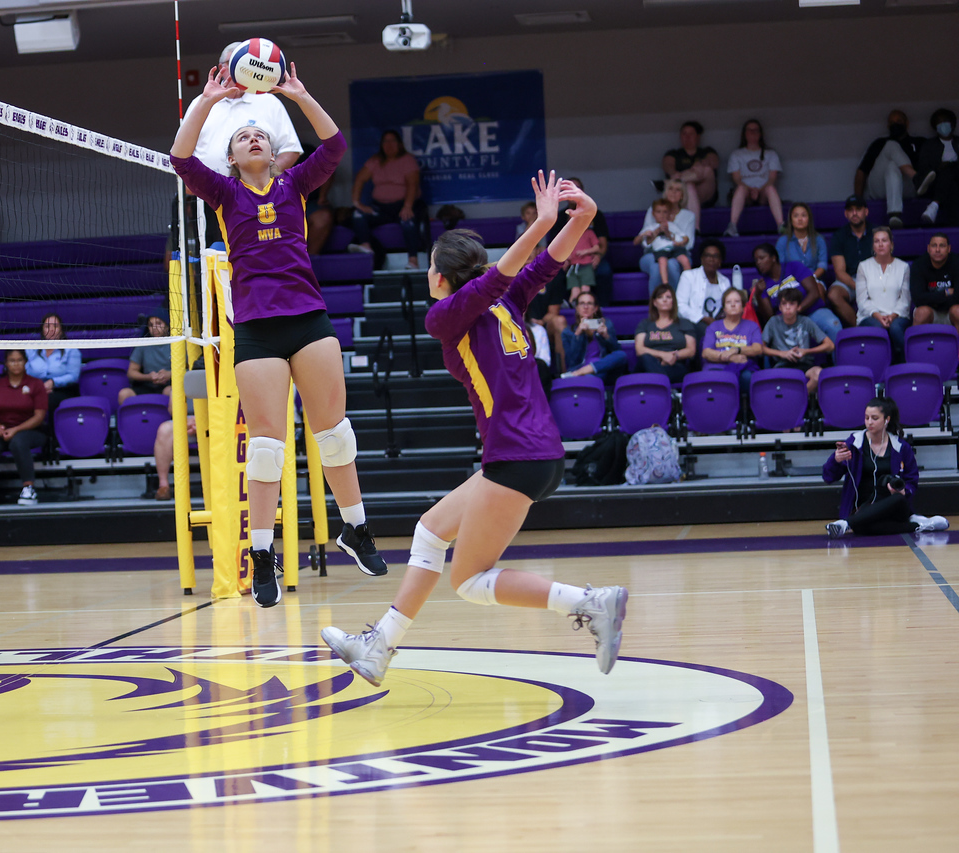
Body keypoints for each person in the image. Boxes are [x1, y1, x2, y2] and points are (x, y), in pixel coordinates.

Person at [320, 173, 629, 687]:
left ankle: (590, 603)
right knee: (430, 530)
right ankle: (379, 647)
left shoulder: (445, 318)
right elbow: (545, 263)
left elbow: (518, 268)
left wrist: (553, 220)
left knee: (467, 581)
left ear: (440, 277)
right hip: (532, 453)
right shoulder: (506, 300)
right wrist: (584, 218)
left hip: (516, 456)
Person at [172, 62, 387, 606]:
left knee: (334, 434)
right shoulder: (222, 193)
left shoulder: (294, 184)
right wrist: (207, 101)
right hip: (257, 332)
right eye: (243, 136)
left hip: (308, 320)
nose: (251, 137)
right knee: (267, 447)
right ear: (232, 156)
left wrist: (300, 94)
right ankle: (262, 554)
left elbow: (334, 147)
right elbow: (179, 157)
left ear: (272, 153)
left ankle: (355, 529)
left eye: (260, 135)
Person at [182, 41, 303, 248]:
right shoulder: (201, 103)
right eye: (243, 63)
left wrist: (267, 178)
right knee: (208, 259)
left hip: (255, 199)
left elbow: (291, 148)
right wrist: (190, 186)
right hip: (207, 198)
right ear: (223, 68)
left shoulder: (268, 101)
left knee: (254, 252)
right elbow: (182, 153)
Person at [823, 397, 948, 538]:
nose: (869, 422)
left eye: (875, 418)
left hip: (893, 505)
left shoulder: (900, 447)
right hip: (862, 508)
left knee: (898, 500)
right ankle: (919, 525)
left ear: (886, 420)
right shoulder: (854, 443)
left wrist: (904, 492)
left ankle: (845, 524)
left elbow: (912, 479)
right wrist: (836, 460)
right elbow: (828, 477)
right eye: (866, 418)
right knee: (863, 528)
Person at [0, 350, 46, 509]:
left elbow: (39, 416)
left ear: (25, 362)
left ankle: (29, 488)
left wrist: (16, 429)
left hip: (31, 431)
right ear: (6, 363)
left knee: (18, 441)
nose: (16, 363)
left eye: (19, 360)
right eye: (12, 360)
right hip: (2, 430)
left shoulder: (36, 384)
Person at [349, 129, 428, 269]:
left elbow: (413, 184)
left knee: (408, 222)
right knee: (357, 214)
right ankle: (366, 246)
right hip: (381, 208)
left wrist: (408, 206)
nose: (389, 144)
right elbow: (360, 179)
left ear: (399, 144)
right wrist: (357, 202)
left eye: (392, 141)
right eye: (385, 141)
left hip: (403, 206)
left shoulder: (407, 160)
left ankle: (413, 261)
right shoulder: (375, 161)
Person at [750, 243, 842, 344]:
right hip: (787, 322)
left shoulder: (794, 267)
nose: (758, 262)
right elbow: (770, 317)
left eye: (762, 258)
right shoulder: (762, 284)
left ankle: (839, 360)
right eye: (756, 260)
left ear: (773, 258)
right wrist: (758, 295)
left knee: (833, 325)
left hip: (812, 311)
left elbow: (814, 293)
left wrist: (797, 309)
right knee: (768, 339)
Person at [855, 110, 924, 229]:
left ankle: (895, 215)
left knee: (893, 166)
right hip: (881, 189)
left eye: (899, 121)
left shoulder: (918, 142)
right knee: (891, 146)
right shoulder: (880, 143)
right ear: (888, 126)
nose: (895, 124)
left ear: (906, 123)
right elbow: (862, 171)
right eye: (892, 122)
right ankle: (916, 178)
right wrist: (857, 201)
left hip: (908, 189)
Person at [548, 177, 612, 305]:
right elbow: (553, 245)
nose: (572, 193)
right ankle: (564, 305)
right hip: (567, 259)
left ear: (582, 192)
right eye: (568, 189)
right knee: (555, 275)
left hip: (590, 257)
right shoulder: (558, 217)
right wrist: (562, 260)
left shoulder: (595, 214)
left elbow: (602, 243)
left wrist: (598, 256)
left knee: (605, 272)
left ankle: (603, 308)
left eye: (576, 189)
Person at [853, 226, 911, 361]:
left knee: (896, 329)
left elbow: (905, 300)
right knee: (877, 328)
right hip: (870, 315)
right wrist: (878, 315)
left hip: (898, 315)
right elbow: (862, 300)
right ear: (872, 245)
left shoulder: (903, 267)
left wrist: (892, 316)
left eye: (884, 240)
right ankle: (880, 369)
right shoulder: (863, 266)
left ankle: (906, 365)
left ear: (891, 244)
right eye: (876, 241)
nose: (880, 244)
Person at [761, 287, 834, 394]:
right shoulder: (773, 322)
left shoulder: (806, 321)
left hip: (805, 364)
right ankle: (796, 401)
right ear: (780, 307)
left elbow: (830, 345)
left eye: (791, 304)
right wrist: (782, 353)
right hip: (782, 365)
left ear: (798, 306)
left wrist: (806, 351)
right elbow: (759, 347)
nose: (787, 307)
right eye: (784, 304)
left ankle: (797, 399)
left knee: (819, 375)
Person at [725, 119, 784, 237]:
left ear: (760, 134)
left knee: (771, 188)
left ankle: (781, 226)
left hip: (763, 192)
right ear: (744, 134)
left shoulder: (770, 154)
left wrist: (759, 189)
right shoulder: (737, 154)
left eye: (756, 130)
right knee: (741, 188)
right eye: (749, 130)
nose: (752, 133)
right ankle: (732, 226)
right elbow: (736, 179)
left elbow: (772, 178)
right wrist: (751, 189)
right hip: (746, 192)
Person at [661, 120, 719, 232]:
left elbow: (713, 163)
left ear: (698, 136)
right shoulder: (674, 154)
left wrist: (696, 167)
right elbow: (667, 165)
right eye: (684, 134)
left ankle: (677, 180)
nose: (687, 137)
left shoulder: (707, 151)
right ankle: (695, 228)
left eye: (691, 134)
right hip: (682, 194)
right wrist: (685, 173)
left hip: (705, 192)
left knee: (706, 170)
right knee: (689, 186)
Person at [633, 285, 698, 383]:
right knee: (646, 358)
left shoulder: (684, 323)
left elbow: (691, 350)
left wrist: (674, 356)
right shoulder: (645, 324)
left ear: (673, 301)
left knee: (668, 372)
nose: (664, 300)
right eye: (660, 297)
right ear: (655, 302)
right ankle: (667, 390)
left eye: (668, 297)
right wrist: (663, 355)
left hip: (674, 365)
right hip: (649, 363)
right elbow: (639, 349)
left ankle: (662, 387)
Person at [701, 288, 763, 389]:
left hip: (743, 368)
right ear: (724, 308)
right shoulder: (713, 326)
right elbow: (706, 352)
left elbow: (758, 349)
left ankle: (746, 405)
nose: (733, 305)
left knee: (748, 378)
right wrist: (730, 358)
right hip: (716, 368)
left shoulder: (752, 326)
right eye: (729, 302)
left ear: (743, 306)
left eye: (737, 301)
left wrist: (736, 350)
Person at [557, 291, 626, 382]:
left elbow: (616, 352)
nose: (585, 307)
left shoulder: (607, 325)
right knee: (590, 379)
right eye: (582, 304)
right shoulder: (568, 332)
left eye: (589, 303)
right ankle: (582, 372)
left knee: (622, 354)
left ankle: (581, 372)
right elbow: (572, 361)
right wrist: (578, 334)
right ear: (577, 308)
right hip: (580, 367)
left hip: (602, 368)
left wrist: (606, 336)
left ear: (595, 308)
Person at [25, 312, 81, 423]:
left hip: (63, 391)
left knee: (48, 400)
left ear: (61, 329)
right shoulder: (32, 350)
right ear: (42, 330)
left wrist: (53, 382)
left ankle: (52, 437)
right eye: (47, 326)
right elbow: (25, 372)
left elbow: (73, 376)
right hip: (36, 389)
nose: (51, 329)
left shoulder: (71, 350)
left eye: (55, 326)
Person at [828, 196, 874, 328]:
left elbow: (884, 263)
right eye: (851, 210)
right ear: (846, 214)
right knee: (834, 294)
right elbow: (840, 272)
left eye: (858, 209)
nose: (854, 213)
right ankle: (860, 328)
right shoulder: (839, 236)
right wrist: (859, 287)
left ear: (866, 211)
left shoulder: (877, 233)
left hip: (874, 278)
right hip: (850, 281)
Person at [677, 239, 731, 341]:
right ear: (701, 259)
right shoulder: (689, 276)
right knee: (708, 333)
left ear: (720, 261)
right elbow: (680, 306)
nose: (711, 259)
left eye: (715, 256)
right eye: (707, 255)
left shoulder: (725, 281)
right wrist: (703, 318)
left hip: (719, 324)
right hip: (693, 324)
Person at [914, 108, 958, 227]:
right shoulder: (929, 145)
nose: (943, 124)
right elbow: (924, 167)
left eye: (946, 121)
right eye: (939, 122)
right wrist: (940, 167)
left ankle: (934, 205)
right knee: (951, 182)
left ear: (953, 124)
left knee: (951, 169)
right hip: (937, 183)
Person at [634, 198, 687, 293]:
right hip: (657, 252)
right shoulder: (650, 227)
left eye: (665, 212)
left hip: (672, 250)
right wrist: (656, 231)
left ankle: (688, 282)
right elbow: (637, 242)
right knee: (660, 263)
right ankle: (665, 286)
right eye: (658, 212)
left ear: (670, 214)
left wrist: (667, 232)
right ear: (653, 213)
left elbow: (682, 238)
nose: (662, 215)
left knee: (680, 261)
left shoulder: (672, 226)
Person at [118, 314, 172, 407]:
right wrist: (149, 377)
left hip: (170, 384)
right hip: (147, 385)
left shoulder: (178, 343)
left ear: (168, 325)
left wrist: (170, 374)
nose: (154, 328)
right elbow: (131, 372)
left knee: (171, 392)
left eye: (159, 323)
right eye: (151, 325)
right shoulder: (144, 344)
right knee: (124, 394)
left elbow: (189, 369)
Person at [642, 178, 697, 262]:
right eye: (670, 189)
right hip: (653, 251)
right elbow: (644, 240)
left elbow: (689, 244)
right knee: (656, 265)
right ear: (666, 192)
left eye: (678, 190)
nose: (673, 192)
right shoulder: (653, 210)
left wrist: (672, 245)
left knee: (672, 264)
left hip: (679, 252)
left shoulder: (689, 216)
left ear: (682, 195)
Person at [911, 233, 959, 329]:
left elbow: (958, 296)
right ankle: (918, 344)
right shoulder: (919, 265)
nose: (937, 250)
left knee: (957, 311)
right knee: (921, 313)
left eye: (942, 246)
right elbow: (918, 298)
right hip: (930, 311)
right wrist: (946, 292)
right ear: (928, 248)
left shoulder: (957, 263)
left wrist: (932, 298)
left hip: (951, 311)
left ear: (949, 249)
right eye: (934, 246)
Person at [775, 202, 828, 282]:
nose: (800, 219)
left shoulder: (819, 239)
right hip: (790, 281)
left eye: (803, 215)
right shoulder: (782, 241)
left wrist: (811, 278)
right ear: (791, 220)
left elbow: (823, 265)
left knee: (817, 290)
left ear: (809, 219)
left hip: (814, 279)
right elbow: (780, 267)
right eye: (796, 216)